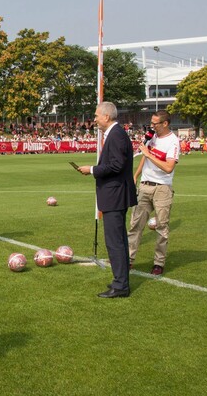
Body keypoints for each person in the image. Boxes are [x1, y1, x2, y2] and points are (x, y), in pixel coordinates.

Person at [78, 102, 137, 298]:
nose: (94, 119)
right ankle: (120, 281)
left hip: (115, 195)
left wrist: (92, 169)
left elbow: (117, 165)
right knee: (117, 241)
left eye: (96, 116)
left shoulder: (117, 134)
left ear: (106, 116)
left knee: (115, 242)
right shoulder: (115, 133)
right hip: (114, 194)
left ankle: (120, 286)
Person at [127, 110, 180, 276]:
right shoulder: (152, 137)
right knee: (135, 224)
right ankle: (128, 259)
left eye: (155, 123)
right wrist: (135, 176)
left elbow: (169, 167)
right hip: (145, 186)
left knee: (162, 227)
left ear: (165, 124)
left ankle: (158, 263)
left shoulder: (173, 142)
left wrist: (149, 154)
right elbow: (144, 156)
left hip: (162, 188)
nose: (152, 126)